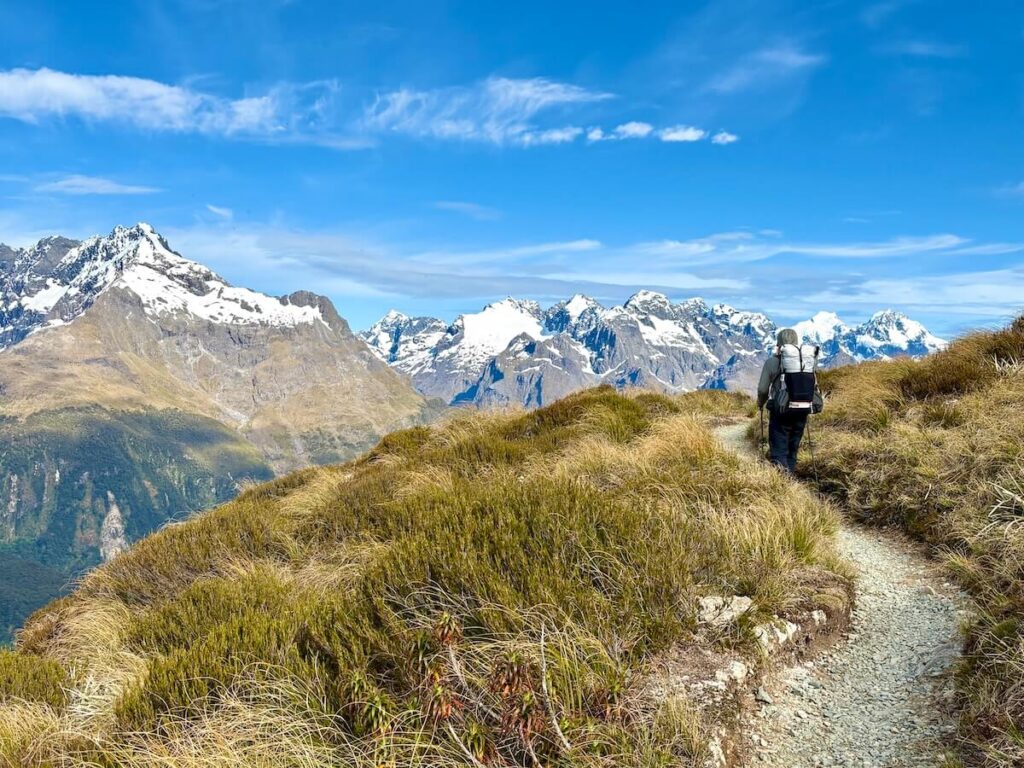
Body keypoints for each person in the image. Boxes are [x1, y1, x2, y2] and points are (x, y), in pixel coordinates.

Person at [757, 328, 810, 474]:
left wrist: (760, 404)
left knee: (779, 451)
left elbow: (762, 389)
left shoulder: (772, 362)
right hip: (802, 410)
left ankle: (783, 487)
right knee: (792, 450)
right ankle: (791, 481)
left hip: (780, 411)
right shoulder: (805, 362)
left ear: (779, 344)